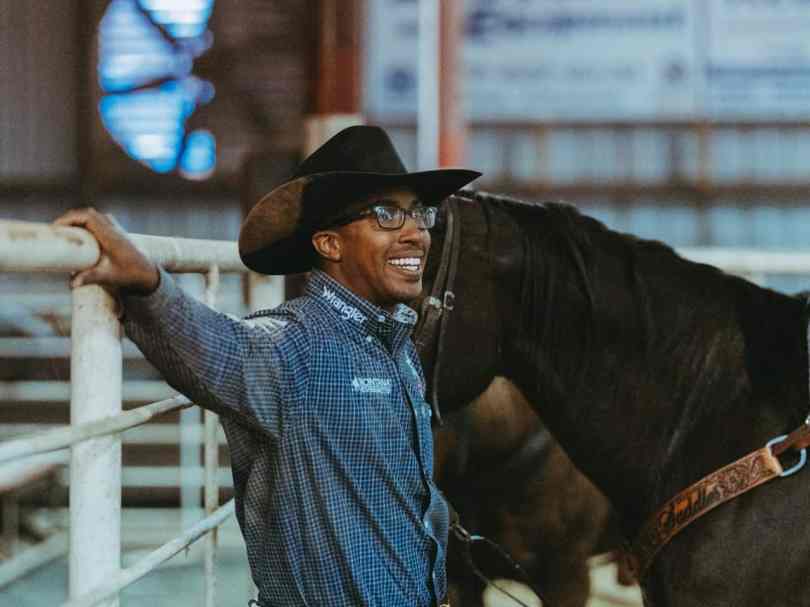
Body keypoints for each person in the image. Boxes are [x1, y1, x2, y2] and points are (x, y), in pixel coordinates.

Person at [55, 125, 481, 607]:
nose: (417, 233)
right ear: (330, 244)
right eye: (387, 215)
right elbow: (218, 349)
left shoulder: (397, 350)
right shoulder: (294, 345)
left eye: (420, 214)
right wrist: (146, 281)